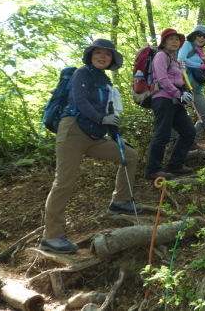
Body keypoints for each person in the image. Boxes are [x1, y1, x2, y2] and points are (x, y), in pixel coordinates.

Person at [40, 39, 140, 254]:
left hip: (95, 135)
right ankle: (52, 236)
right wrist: (100, 119)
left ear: (112, 59)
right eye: (98, 53)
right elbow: (79, 100)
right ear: (91, 55)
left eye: (107, 54)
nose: (102, 56)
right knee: (64, 182)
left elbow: (111, 115)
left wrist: (116, 136)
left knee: (130, 156)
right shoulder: (82, 73)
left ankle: (120, 202)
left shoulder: (106, 82)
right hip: (73, 130)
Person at [144, 28, 196, 181]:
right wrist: (178, 94)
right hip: (163, 99)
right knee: (163, 134)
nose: (175, 42)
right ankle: (152, 169)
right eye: (171, 39)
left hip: (175, 100)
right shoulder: (160, 56)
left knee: (189, 132)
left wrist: (184, 94)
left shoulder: (174, 59)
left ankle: (175, 164)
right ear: (164, 42)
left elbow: (178, 80)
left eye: (177, 39)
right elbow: (162, 79)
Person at [177, 24, 205, 149]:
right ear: (194, 35)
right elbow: (180, 59)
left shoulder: (201, 52)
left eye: (204, 37)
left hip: (195, 90)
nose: (202, 38)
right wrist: (200, 66)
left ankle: (191, 142)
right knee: (175, 116)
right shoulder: (188, 45)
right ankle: (173, 145)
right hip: (183, 87)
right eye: (199, 35)